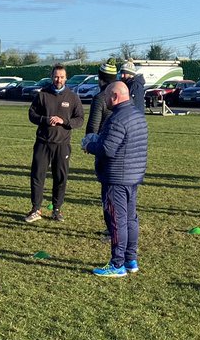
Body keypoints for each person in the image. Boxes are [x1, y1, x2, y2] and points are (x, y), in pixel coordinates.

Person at [82, 81, 147, 277]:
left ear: (115, 96)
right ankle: (130, 259)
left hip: (116, 177)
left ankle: (117, 264)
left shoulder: (117, 119)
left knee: (117, 220)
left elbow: (107, 149)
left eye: (107, 97)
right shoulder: (138, 115)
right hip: (133, 176)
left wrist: (89, 146)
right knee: (130, 219)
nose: (105, 101)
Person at [25, 63, 84, 223]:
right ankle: (36, 209)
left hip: (62, 145)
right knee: (37, 176)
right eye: (56, 76)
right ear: (52, 77)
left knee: (60, 178)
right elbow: (31, 114)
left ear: (66, 78)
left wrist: (64, 121)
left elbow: (79, 120)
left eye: (62, 77)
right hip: (43, 143)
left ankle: (56, 209)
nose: (59, 79)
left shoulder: (72, 97)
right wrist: (45, 120)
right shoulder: (42, 94)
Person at [85, 59, 118, 136]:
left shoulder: (100, 98)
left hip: (104, 140)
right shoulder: (126, 96)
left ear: (100, 79)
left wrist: (89, 142)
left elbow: (93, 126)